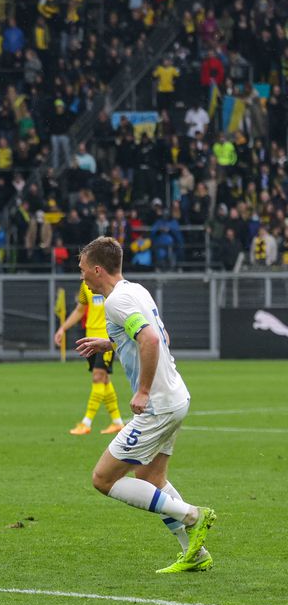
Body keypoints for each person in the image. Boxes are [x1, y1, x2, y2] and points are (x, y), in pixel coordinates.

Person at [73, 237, 216, 573]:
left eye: (82, 272)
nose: (82, 279)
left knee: (103, 479)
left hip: (157, 404)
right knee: (151, 478)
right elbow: (158, 336)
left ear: (97, 269)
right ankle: (194, 553)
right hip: (176, 396)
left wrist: (143, 391)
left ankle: (193, 515)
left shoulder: (115, 302)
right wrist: (111, 342)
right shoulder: (136, 290)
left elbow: (151, 340)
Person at [53, 281, 126, 436]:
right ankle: (117, 422)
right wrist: (63, 328)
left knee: (98, 377)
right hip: (90, 339)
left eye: (83, 267)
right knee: (104, 380)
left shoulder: (112, 284)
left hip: (106, 340)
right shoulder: (85, 286)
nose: (82, 272)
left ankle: (86, 423)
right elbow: (80, 310)